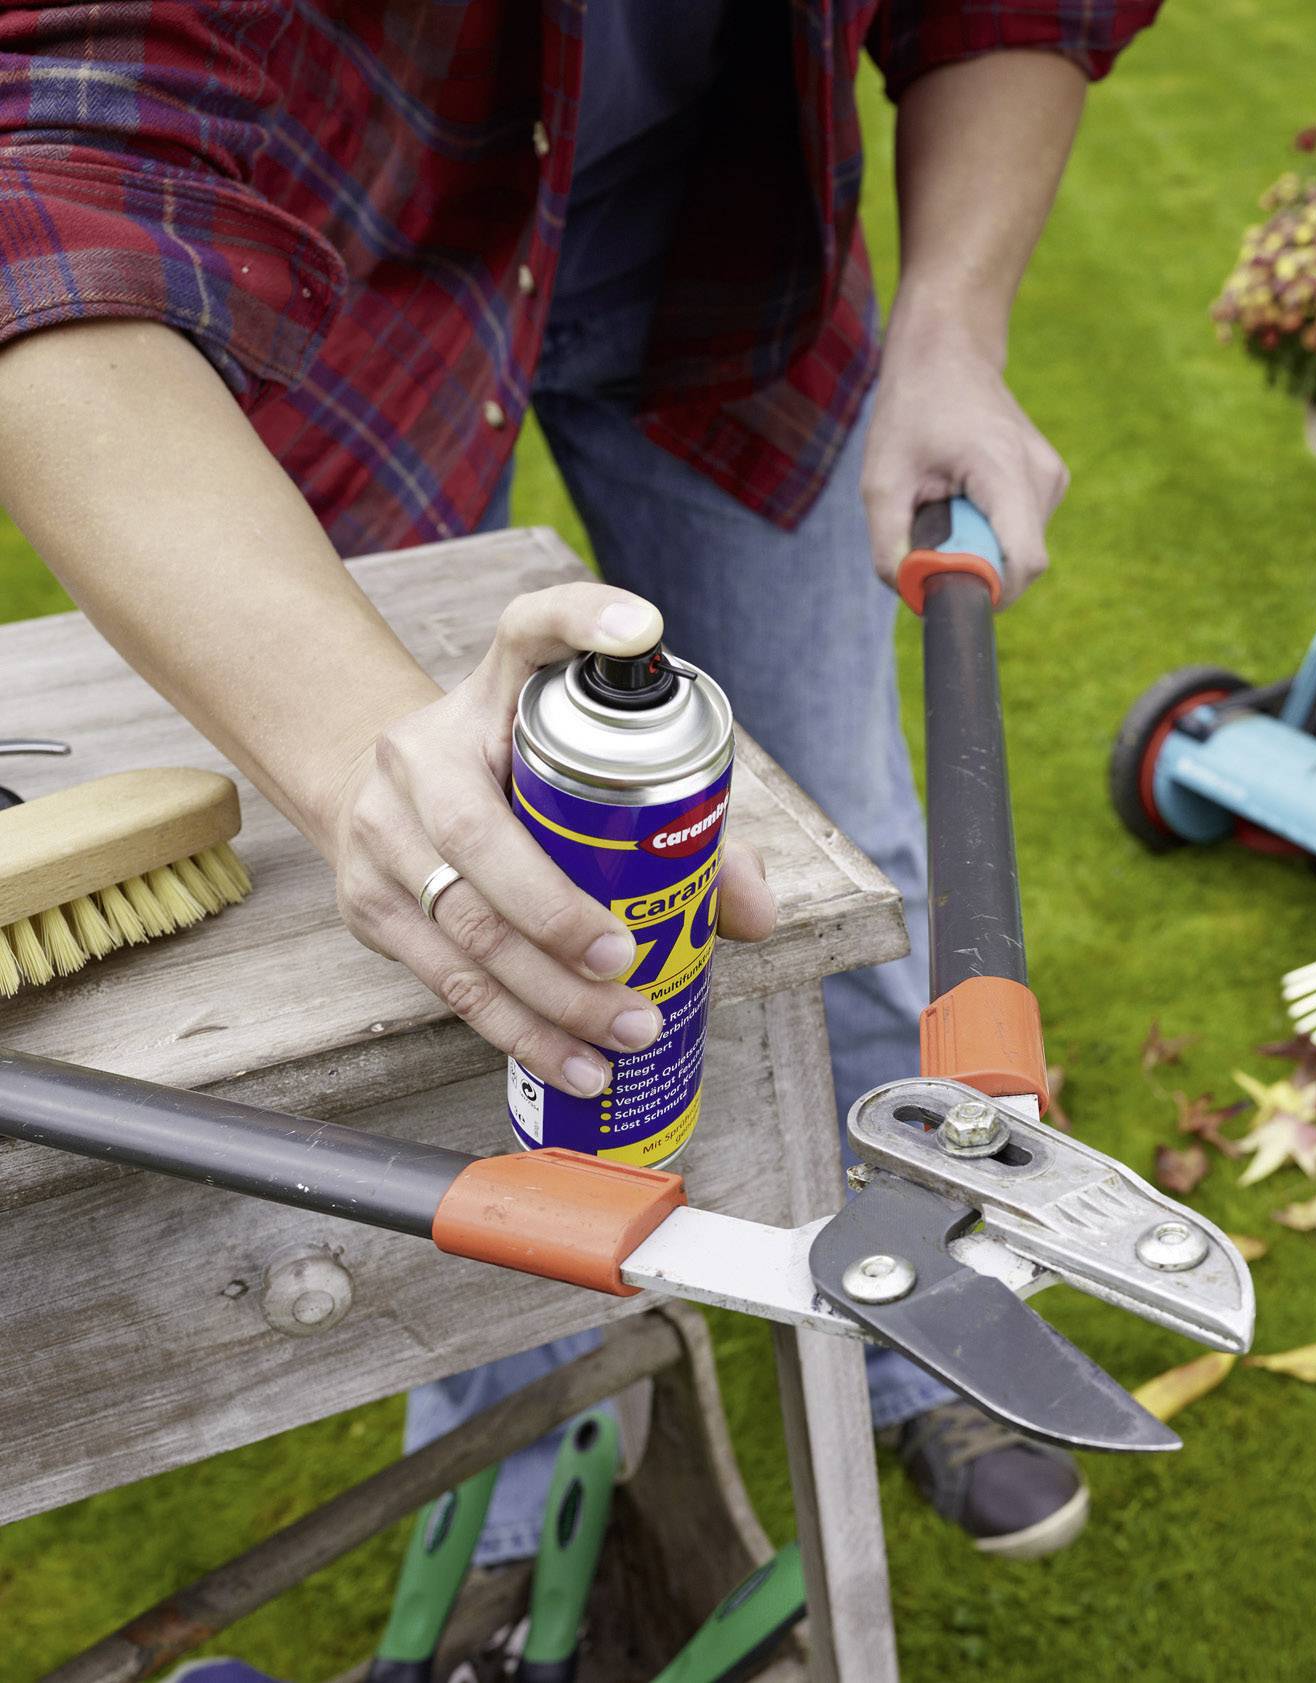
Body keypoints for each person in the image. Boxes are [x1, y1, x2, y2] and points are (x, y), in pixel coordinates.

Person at [0, 0, 1159, 1564]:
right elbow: (46, 164)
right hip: (360, 298)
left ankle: (924, 1314)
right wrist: (355, 760)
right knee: (480, 937)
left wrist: (952, 325)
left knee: (850, 853)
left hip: (722, 271)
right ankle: (518, 1490)